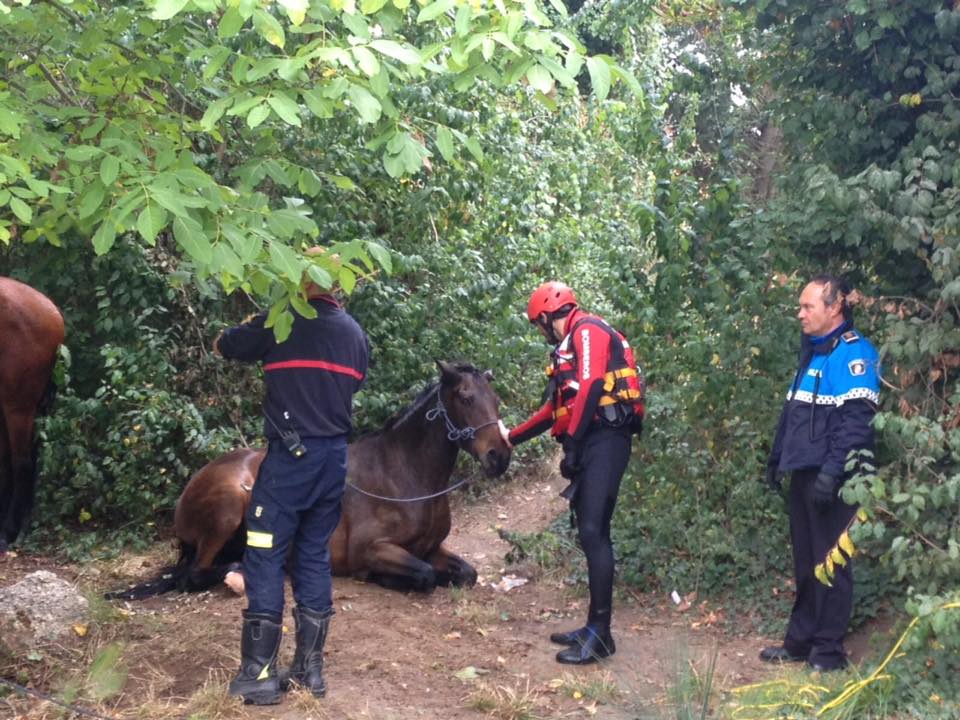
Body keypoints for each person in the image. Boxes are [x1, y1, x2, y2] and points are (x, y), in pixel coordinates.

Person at [214, 259, 369, 705]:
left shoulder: (281, 320)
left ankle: (259, 675)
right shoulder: (355, 335)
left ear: (301, 283)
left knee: (263, 554)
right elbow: (351, 386)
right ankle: (309, 673)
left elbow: (227, 345)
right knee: (313, 556)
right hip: (333, 461)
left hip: (290, 461)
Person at [500, 281, 644, 665]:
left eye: (538, 324)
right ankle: (594, 628)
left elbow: (595, 383)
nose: (540, 331)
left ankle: (600, 635)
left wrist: (576, 445)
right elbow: (554, 409)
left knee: (595, 532)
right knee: (589, 530)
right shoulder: (568, 348)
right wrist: (511, 438)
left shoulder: (589, 330)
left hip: (607, 439)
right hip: (593, 440)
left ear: (547, 316)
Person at [761, 275, 880, 671]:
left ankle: (828, 652)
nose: (800, 313)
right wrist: (777, 459)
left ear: (834, 308)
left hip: (835, 478)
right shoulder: (814, 352)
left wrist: (831, 475)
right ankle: (801, 642)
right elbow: (794, 415)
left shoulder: (853, 353)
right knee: (806, 562)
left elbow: (856, 423)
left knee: (832, 562)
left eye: (807, 306)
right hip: (804, 473)